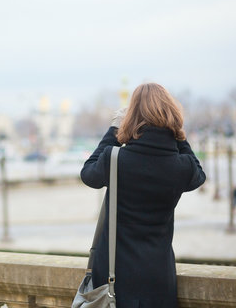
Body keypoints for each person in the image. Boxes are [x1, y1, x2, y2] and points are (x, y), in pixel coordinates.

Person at [80, 83, 206, 308]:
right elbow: (199, 174)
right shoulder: (181, 166)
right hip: (159, 280)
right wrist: (178, 134)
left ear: (132, 117)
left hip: (114, 280)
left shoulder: (115, 159)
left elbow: (88, 174)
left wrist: (114, 131)